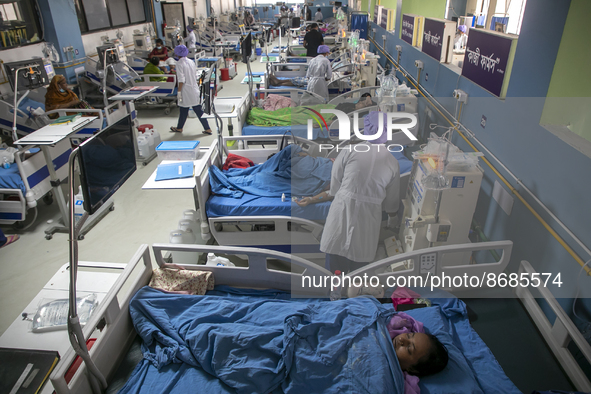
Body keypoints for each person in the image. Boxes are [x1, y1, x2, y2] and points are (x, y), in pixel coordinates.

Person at [296, 113, 400, 273]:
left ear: (366, 130)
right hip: (368, 220)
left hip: (342, 212)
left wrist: (316, 198)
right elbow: (392, 203)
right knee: (359, 273)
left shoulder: (349, 151)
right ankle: (354, 295)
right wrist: (393, 219)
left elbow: (336, 187)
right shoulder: (392, 162)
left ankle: (335, 295)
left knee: (335, 271)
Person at [170, 45, 212, 135]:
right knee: (194, 109)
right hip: (194, 88)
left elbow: (181, 80)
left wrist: (179, 92)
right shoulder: (191, 61)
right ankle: (206, 128)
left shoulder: (179, 64)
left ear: (177, 54)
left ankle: (180, 128)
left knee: (185, 109)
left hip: (185, 90)